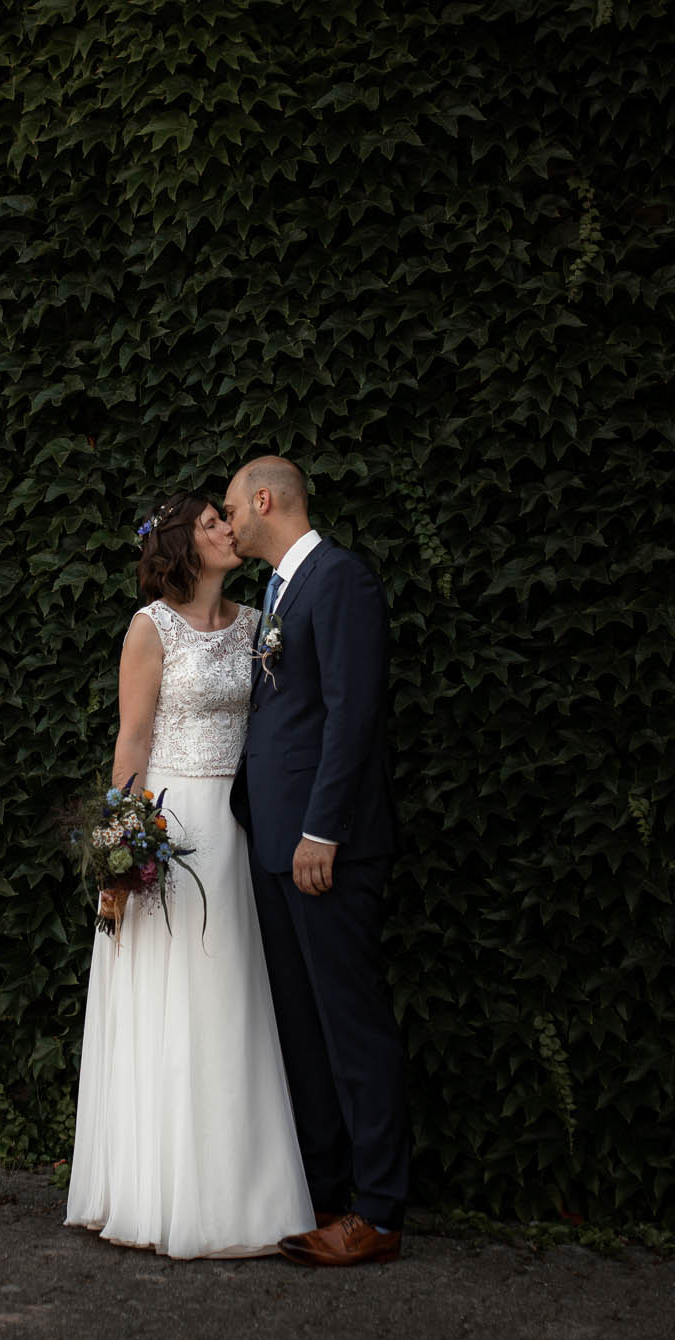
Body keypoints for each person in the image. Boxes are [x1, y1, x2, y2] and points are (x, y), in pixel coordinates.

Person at [64, 492, 317, 1258]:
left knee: (235, 999)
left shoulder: (255, 623)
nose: (226, 529)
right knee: (170, 1005)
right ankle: (160, 1188)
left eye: (224, 518)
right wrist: (118, 854)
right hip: (170, 830)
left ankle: (247, 1192)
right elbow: (131, 744)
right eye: (210, 523)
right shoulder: (150, 628)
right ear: (181, 544)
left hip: (238, 830)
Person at [222, 455, 409, 1268]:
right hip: (274, 844)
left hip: (321, 847)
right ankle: (325, 1193)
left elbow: (350, 711)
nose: (225, 523)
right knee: (302, 1031)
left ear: (266, 499)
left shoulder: (340, 581)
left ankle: (380, 1209)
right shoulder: (277, 591)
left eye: (231, 507)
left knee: (351, 1027)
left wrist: (322, 829)